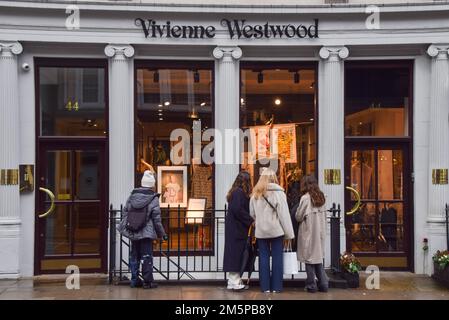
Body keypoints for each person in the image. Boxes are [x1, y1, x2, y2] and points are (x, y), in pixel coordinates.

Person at [118, 170, 168, 289]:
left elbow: (125, 212)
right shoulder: (153, 199)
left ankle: (134, 280)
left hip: (133, 231)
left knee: (134, 255)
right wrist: (162, 234)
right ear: (152, 184)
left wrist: (130, 225)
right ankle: (147, 281)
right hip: (146, 233)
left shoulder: (132, 196)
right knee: (146, 256)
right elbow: (156, 220)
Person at [250, 168, 295, 293]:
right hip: (276, 231)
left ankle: (265, 288)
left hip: (261, 231)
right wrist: (289, 234)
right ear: (274, 178)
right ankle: (276, 287)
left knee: (263, 258)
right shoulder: (279, 193)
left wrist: (259, 222)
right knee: (277, 258)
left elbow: (252, 213)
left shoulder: (255, 194)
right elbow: (284, 215)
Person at [295, 174, 328, 293]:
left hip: (308, 232)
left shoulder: (305, 198)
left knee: (309, 259)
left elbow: (298, 216)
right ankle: (323, 284)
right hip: (320, 232)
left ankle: (311, 285)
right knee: (317, 258)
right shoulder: (322, 197)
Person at [223, 171, 253, 291]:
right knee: (236, 254)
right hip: (237, 229)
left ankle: (233, 280)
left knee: (234, 254)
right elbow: (238, 210)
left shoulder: (235, 192)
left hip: (234, 228)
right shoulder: (239, 193)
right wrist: (250, 220)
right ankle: (234, 281)